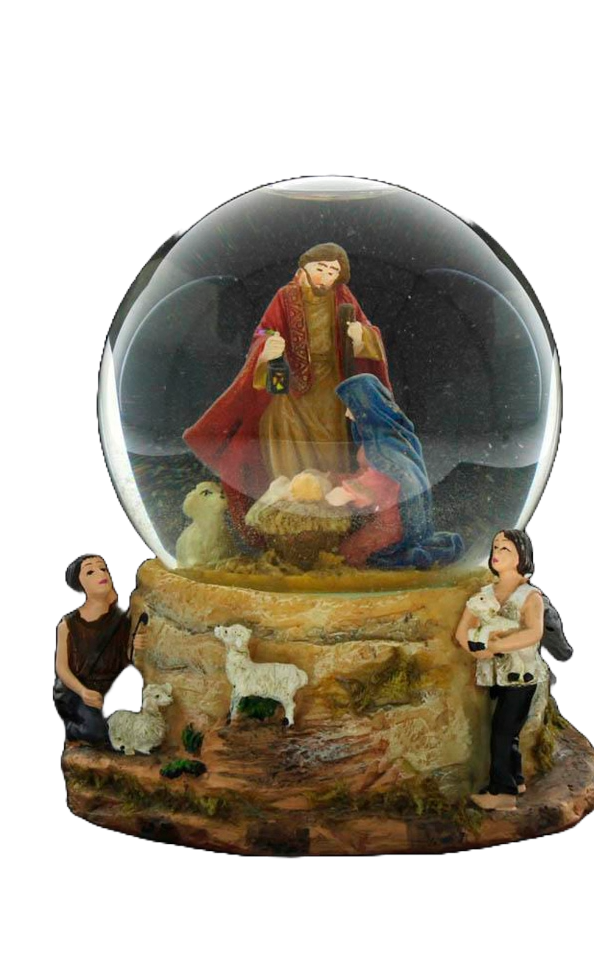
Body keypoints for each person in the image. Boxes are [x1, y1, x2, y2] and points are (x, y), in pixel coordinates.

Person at [183, 243, 391, 545]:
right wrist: (268, 347)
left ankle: (330, 521)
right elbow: (263, 331)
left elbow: (368, 330)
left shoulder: (343, 298)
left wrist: (362, 336)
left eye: (332, 271)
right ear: (305, 267)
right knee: (284, 442)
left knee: (331, 449)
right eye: (320, 268)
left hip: (331, 388)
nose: (325, 276)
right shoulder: (285, 297)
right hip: (292, 389)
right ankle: (290, 518)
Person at [325, 374, 463, 569]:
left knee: (350, 551)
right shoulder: (384, 441)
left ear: (367, 409)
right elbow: (366, 474)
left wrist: (345, 492)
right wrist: (337, 478)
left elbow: (376, 484)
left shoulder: (384, 448)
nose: (348, 413)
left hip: (393, 523)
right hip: (382, 515)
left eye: (352, 407)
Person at [453, 530, 547, 810]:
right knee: (508, 730)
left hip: (521, 676)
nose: (496, 552)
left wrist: (498, 645)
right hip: (496, 675)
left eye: (505, 548)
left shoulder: (529, 596)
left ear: (521, 556)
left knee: (503, 732)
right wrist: (477, 650)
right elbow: (462, 632)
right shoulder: (484, 595)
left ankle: (502, 793)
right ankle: (516, 779)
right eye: (495, 546)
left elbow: (534, 633)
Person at [53, 554, 144, 745]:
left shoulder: (122, 618)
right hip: (79, 691)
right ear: (79, 583)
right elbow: (61, 668)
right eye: (90, 571)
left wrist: (135, 647)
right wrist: (83, 692)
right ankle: (73, 729)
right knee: (97, 734)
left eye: (103, 568)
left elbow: (125, 658)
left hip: (110, 687)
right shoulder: (68, 625)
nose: (101, 574)